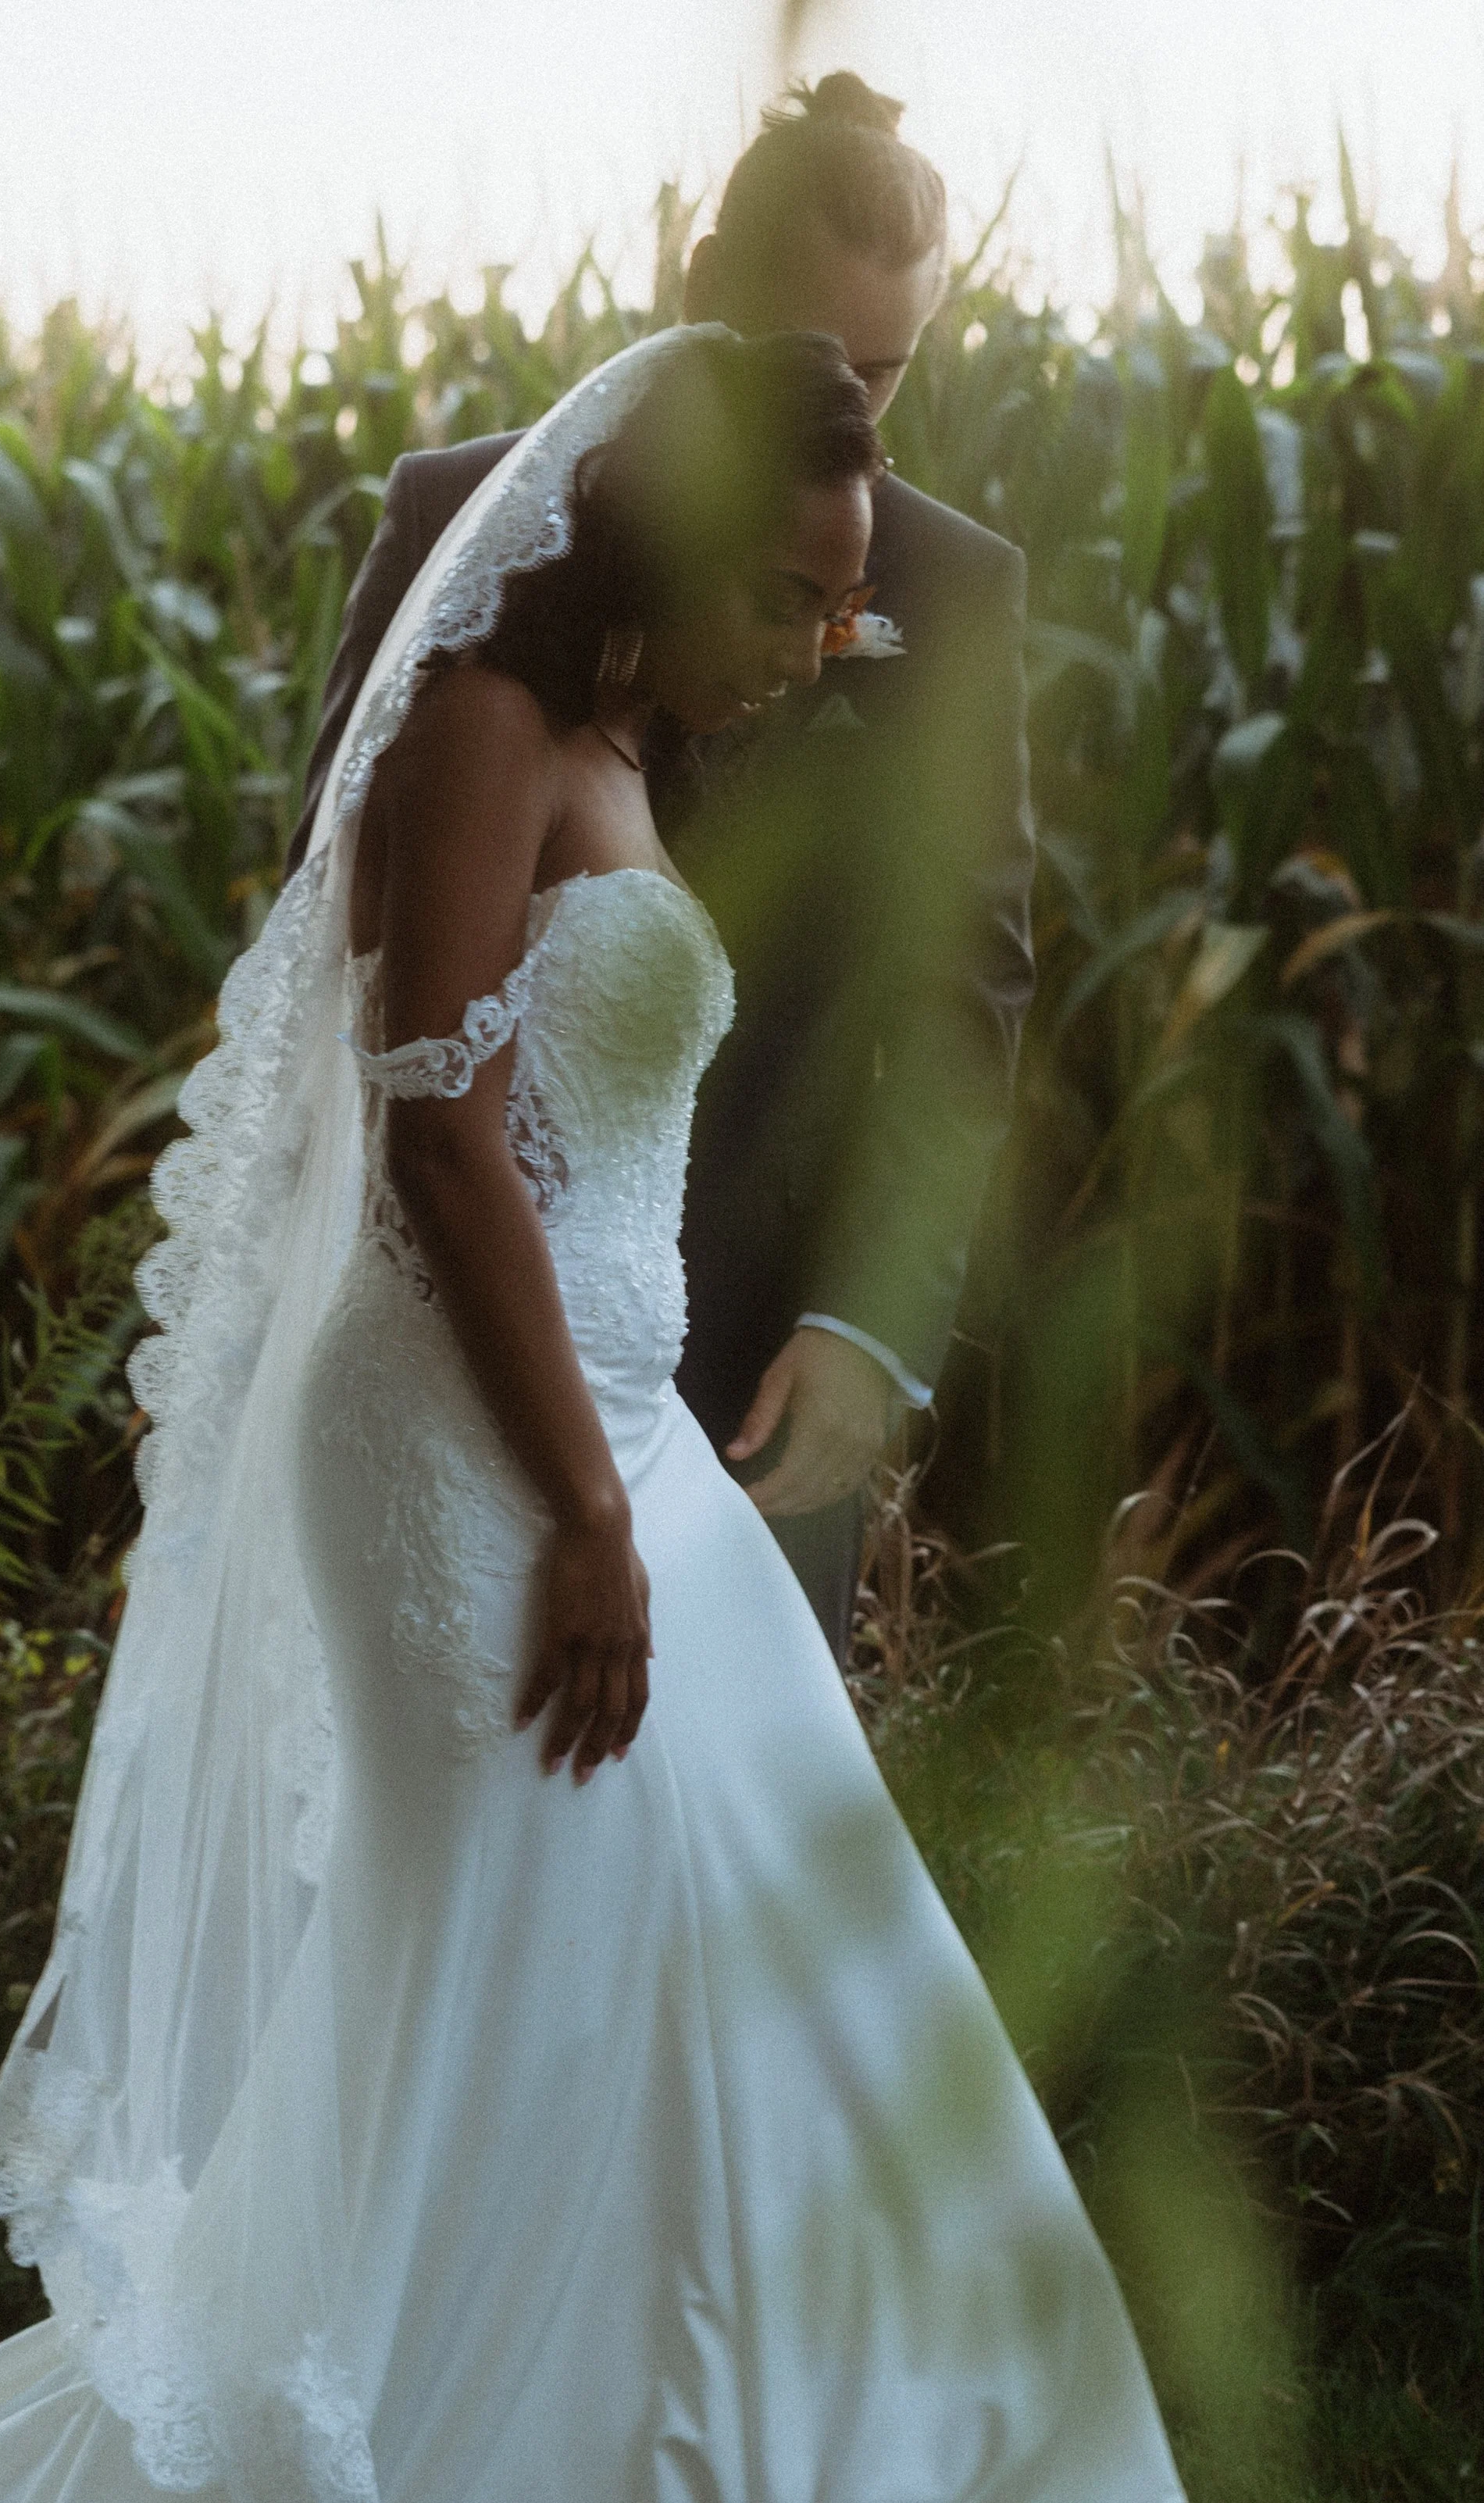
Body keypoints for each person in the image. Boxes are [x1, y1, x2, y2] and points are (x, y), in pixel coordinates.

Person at [0, 329, 1214, 2503]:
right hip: (461, 1449)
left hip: (618, 1438)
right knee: (521, 1955)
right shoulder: (480, 727)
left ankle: (768, 2440)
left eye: (848, 608)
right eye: (795, 596)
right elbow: (435, 1139)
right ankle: (470, 2490)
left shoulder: (621, 742)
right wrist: (591, 1516)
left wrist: (635, 1483)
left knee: (759, 1934)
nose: (827, 646)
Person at [290, 73, 1036, 1662]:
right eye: (793, 346)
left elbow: (965, 990)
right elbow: (337, 908)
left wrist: (866, 1328)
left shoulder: (952, 592)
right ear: (699, 285)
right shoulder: (458, 516)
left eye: (877, 370)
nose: (829, 399)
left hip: (774, 1343)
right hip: (456, 1329)